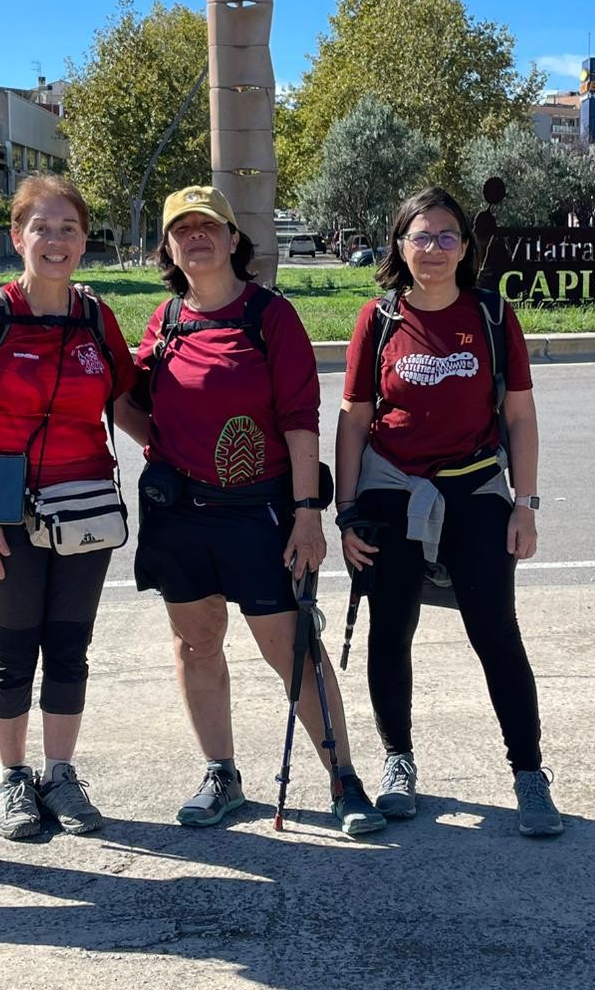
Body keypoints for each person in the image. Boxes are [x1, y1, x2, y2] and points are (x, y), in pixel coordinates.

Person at [114, 185, 384, 836]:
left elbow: (300, 422)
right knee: (195, 644)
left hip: (258, 512)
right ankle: (221, 775)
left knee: (291, 648)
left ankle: (344, 780)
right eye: (182, 229)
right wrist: (162, 447)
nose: (196, 237)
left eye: (209, 226)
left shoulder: (270, 317)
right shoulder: (165, 320)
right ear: (168, 246)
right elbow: (127, 400)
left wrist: (307, 514)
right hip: (180, 517)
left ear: (234, 238)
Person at [333, 188, 562, 837]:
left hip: (476, 492)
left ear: (465, 247)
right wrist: (346, 513)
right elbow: (354, 419)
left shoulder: (491, 314)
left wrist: (526, 505)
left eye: (446, 236)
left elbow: (520, 415)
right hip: (391, 493)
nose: (433, 248)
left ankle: (529, 775)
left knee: (496, 634)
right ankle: (398, 762)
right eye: (421, 236)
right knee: (390, 631)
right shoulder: (378, 319)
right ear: (399, 245)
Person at [0, 176, 135, 840]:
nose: (56, 241)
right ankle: (12, 777)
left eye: (68, 228)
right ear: (17, 236)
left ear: (85, 240)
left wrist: (180, 454)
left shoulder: (95, 316)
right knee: (14, 645)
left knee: (70, 646)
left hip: (85, 508)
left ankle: (60, 775)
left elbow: (125, 402)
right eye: (41, 227)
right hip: (4, 513)